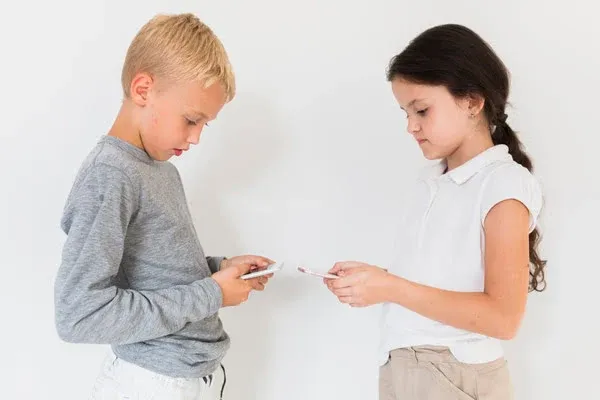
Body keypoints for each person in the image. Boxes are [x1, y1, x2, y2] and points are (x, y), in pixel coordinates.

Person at [54, 13, 274, 400]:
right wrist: (212, 293)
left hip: (195, 379)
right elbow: (78, 314)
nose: (196, 138)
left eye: (205, 124)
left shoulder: (159, 169)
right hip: (151, 384)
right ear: (143, 89)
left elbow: (152, 270)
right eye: (191, 119)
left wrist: (219, 269)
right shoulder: (110, 174)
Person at [325, 24, 546, 400]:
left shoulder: (504, 184)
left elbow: (504, 318)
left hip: (453, 374)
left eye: (422, 110)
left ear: (473, 102)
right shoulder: (431, 182)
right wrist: (377, 280)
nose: (411, 126)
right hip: (404, 368)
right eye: (405, 113)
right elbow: (437, 283)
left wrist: (391, 287)